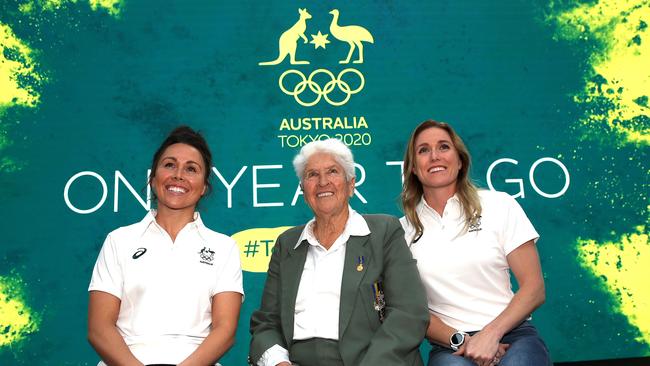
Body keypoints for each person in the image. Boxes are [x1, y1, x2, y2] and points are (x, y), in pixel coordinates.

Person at [249, 138, 429, 366]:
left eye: (332, 171)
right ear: (303, 190)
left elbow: (409, 313)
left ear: (351, 184)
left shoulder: (384, 231)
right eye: (312, 175)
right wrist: (278, 363)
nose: (323, 181)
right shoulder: (287, 244)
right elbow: (266, 323)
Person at [88, 126, 243, 365]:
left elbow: (225, 330)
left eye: (191, 169)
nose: (178, 175)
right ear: (153, 178)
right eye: (169, 165)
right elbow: (99, 328)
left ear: (203, 187)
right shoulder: (119, 240)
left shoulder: (224, 247)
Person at [400, 120, 551, 366]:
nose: (435, 156)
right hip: (451, 346)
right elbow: (412, 311)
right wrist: (465, 342)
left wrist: (491, 335)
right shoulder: (402, 230)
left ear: (460, 161)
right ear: (413, 168)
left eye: (444, 147)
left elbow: (534, 288)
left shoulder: (500, 205)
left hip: (513, 335)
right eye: (423, 150)